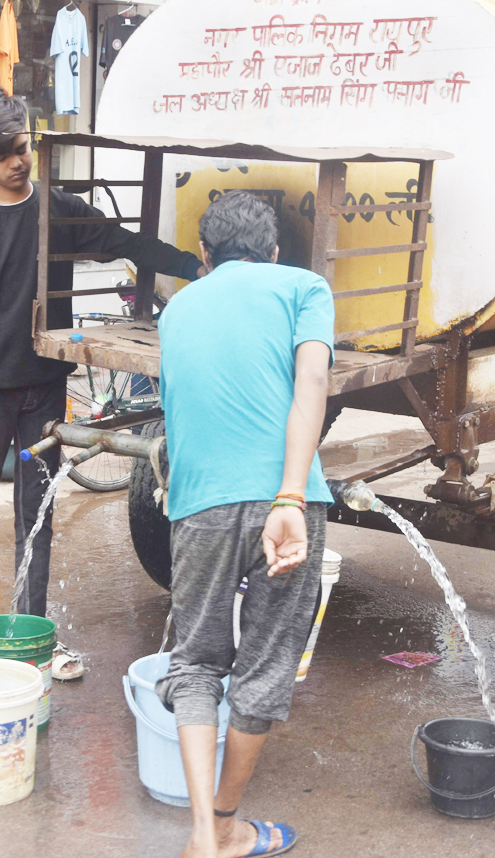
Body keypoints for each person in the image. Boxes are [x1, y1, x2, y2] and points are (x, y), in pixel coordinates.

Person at [0, 87, 203, 676]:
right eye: (3, 153)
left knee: (38, 512)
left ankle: (33, 633)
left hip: (43, 388)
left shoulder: (56, 209)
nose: (18, 161)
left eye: (24, 147)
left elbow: (124, 241)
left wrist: (194, 266)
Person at [156, 191, 335, 858]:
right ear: (274, 251)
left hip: (198, 503)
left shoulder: (177, 308)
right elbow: (310, 385)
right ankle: (231, 822)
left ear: (203, 256)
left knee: (196, 661)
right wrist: (288, 496)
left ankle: (203, 831)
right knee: (265, 665)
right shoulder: (303, 287)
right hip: (286, 505)